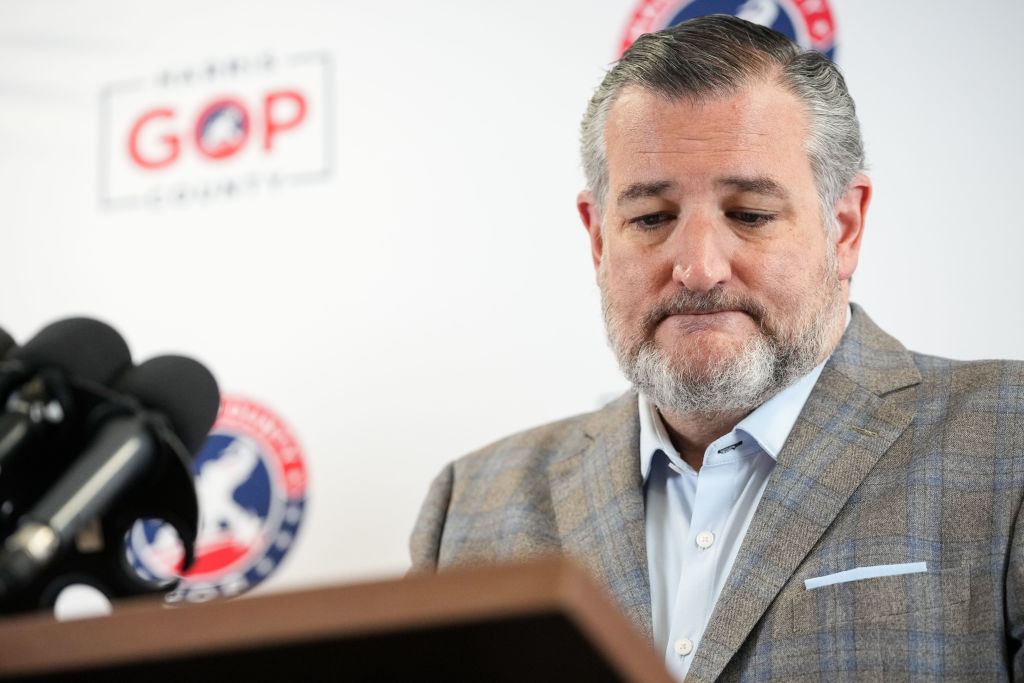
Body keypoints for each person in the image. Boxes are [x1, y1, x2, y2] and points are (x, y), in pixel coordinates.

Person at [410, 14, 1024, 681]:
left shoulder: (1006, 442)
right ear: (597, 238)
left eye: (749, 214)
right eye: (650, 218)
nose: (698, 267)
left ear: (843, 227)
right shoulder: (470, 508)